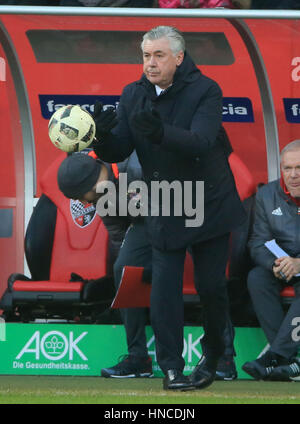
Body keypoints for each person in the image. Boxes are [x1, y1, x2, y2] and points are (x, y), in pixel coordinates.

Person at [91, 25, 246, 390]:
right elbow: (120, 150)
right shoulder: (133, 94)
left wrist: (160, 132)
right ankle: (171, 369)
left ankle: (214, 354)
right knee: (164, 289)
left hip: (208, 202)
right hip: (166, 201)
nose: (150, 63)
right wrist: (101, 138)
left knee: (211, 288)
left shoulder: (206, 90)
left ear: (179, 57)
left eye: (159, 55)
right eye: (146, 55)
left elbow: (202, 141)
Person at [57, 150, 238, 381]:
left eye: (83, 195)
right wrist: (138, 262)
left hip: (192, 206)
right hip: (150, 220)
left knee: (209, 280)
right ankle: (138, 358)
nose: (84, 202)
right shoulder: (101, 195)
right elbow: (118, 234)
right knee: (125, 268)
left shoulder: (137, 167)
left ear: (94, 180)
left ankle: (223, 356)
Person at [242, 140, 300, 381]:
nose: (294, 175)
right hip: (283, 264)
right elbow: (257, 242)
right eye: (288, 168)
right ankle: (288, 360)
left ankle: (275, 356)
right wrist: (273, 264)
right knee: (256, 277)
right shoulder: (267, 194)